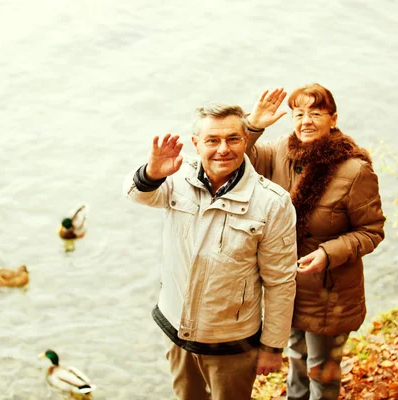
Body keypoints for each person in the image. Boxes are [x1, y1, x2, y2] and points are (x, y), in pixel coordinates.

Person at [123, 102, 298, 400]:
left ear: (245, 140)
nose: (223, 149)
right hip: (177, 332)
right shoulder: (176, 177)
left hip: (232, 342)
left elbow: (280, 281)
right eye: (212, 140)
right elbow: (138, 194)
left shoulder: (273, 202)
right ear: (196, 143)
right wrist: (152, 172)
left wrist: (272, 346)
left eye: (232, 139)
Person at [245, 83, 386, 400]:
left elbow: (372, 230)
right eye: (299, 113)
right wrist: (254, 124)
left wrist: (327, 253)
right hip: (288, 286)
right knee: (296, 358)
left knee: (321, 371)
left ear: (333, 119)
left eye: (316, 113)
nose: (306, 121)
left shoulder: (354, 170)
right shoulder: (281, 151)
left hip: (329, 292)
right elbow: (238, 155)